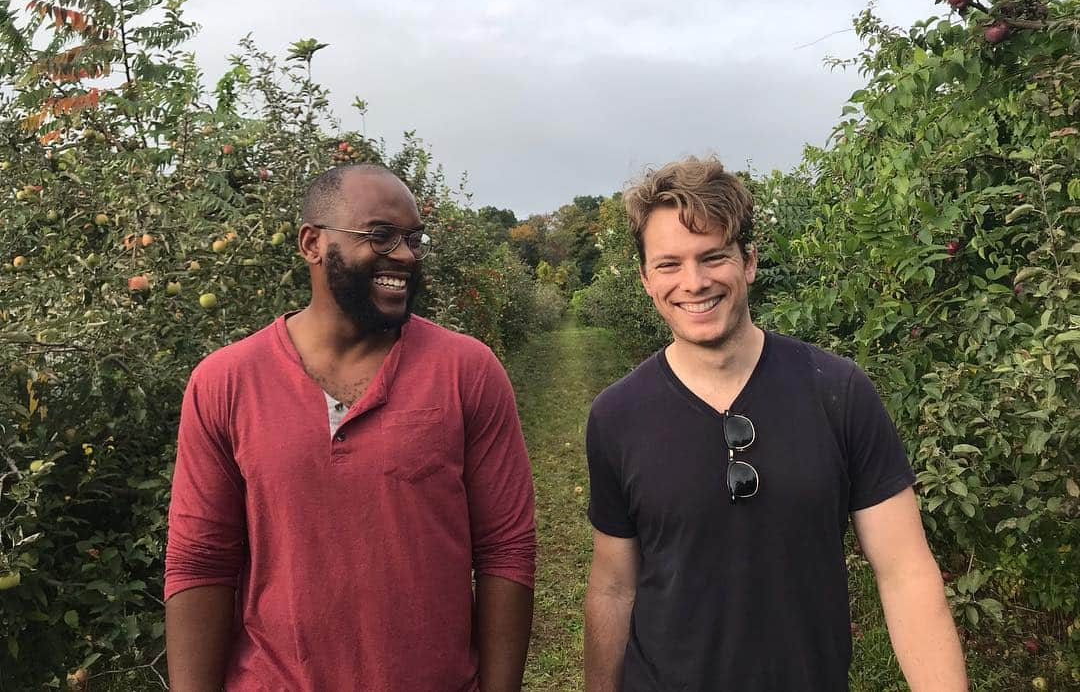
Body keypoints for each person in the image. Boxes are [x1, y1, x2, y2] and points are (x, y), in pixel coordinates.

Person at [583, 157, 967, 691]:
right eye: (669, 264)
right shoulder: (616, 416)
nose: (693, 283)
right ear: (646, 278)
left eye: (712, 257)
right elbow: (613, 586)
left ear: (749, 262)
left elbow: (905, 573)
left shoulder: (838, 392)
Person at [165, 164, 536, 692]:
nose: (404, 255)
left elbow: (505, 548)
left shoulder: (467, 371)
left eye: (413, 239)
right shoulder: (226, 383)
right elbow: (201, 560)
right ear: (312, 243)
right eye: (380, 236)